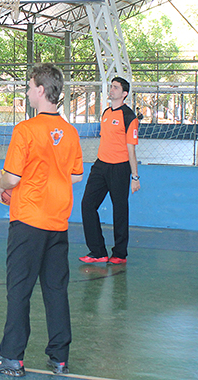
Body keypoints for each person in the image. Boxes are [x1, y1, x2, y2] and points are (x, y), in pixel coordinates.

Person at [0, 64, 84, 377]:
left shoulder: (25, 130)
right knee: (55, 290)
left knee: (19, 290)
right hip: (57, 223)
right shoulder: (69, 132)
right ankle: (60, 358)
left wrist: (0, 182)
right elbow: (76, 177)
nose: (27, 92)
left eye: (29, 87)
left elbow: (12, 176)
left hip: (28, 222)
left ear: (41, 90)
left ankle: (12, 357)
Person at [79, 77, 140, 265]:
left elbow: (131, 149)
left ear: (124, 94)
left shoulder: (130, 117)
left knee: (120, 210)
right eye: (111, 87)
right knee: (87, 205)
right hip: (100, 166)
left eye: (115, 87)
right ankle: (98, 251)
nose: (111, 90)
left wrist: (135, 177)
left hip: (120, 168)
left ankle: (120, 254)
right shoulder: (105, 113)